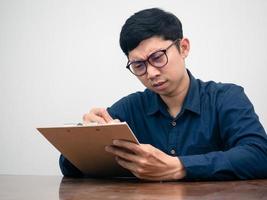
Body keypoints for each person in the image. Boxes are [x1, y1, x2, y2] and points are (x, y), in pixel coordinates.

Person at [59, 8, 267, 181]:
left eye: (158, 57)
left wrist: (179, 167)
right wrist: (85, 136)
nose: (151, 73)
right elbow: (69, 167)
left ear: (183, 48)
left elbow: (260, 155)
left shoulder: (226, 97)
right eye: (139, 65)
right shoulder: (130, 107)